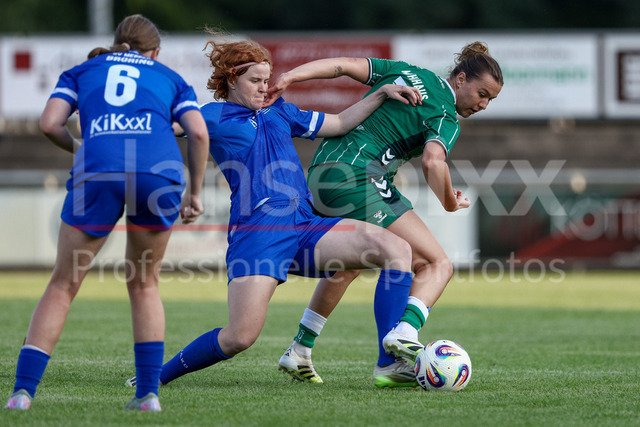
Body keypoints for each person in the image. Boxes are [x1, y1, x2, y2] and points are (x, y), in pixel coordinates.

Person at [123, 35, 424, 389]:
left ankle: (388, 363)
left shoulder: (281, 110)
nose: (264, 87)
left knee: (395, 248)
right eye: (255, 80)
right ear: (231, 79)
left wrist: (381, 92)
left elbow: (341, 123)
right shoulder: (212, 116)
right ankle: (156, 376)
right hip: (259, 233)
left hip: (305, 225)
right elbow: (166, 127)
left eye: (267, 80)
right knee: (240, 336)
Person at [266, 42, 503, 388]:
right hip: (357, 177)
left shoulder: (407, 71)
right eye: (481, 94)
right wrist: (450, 202)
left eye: (490, 100)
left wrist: (291, 75)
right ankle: (397, 346)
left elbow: (345, 63)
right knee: (436, 263)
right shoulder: (446, 117)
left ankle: (300, 348)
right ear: (461, 78)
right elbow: (433, 161)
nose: (482, 105)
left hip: (321, 172)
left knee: (351, 262)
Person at [4, 15, 209, 411]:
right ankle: (147, 395)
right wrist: (195, 192)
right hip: (157, 173)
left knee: (63, 285)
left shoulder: (82, 70)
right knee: (144, 284)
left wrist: (80, 148)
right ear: (155, 52)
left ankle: (22, 394)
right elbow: (198, 132)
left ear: (117, 42)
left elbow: (49, 123)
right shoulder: (170, 77)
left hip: (98, 170)